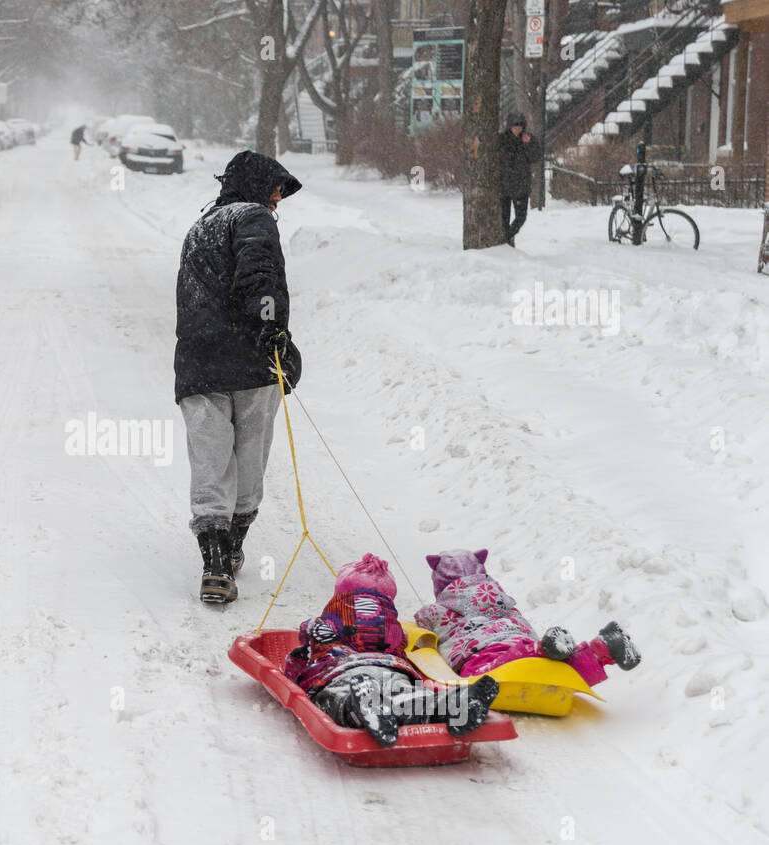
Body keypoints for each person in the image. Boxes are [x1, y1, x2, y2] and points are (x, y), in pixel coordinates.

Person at [174, 150, 303, 603]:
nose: (276, 201)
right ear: (257, 186)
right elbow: (260, 272)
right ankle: (231, 553)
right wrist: (274, 331)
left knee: (210, 463)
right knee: (249, 459)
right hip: (249, 364)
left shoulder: (199, 228)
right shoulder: (252, 217)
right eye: (275, 190)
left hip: (197, 367)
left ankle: (215, 564)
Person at [284, 554, 501, 747]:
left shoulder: (322, 622)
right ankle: (450, 706)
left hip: (343, 671)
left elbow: (306, 642)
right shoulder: (391, 626)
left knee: (334, 698)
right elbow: (403, 643)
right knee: (409, 696)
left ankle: (357, 707)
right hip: (393, 670)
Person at [413, 548, 642, 683]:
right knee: (559, 677)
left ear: (439, 580)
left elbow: (419, 632)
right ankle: (600, 650)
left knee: (479, 678)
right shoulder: (499, 596)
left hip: (480, 651)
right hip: (518, 638)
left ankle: (539, 651)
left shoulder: (436, 610)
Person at [499, 112, 542, 247]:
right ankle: (507, 244)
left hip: (521, 185)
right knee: (504, 219)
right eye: (514, 126)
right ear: (509, 126)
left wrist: (527, 144)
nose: (517, 129)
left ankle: (508, 237)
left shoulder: (529, 139)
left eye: (520, 126)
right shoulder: (502, 139)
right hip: (505, 185)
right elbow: (498, 159)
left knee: (521, 218)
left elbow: (535, 157)